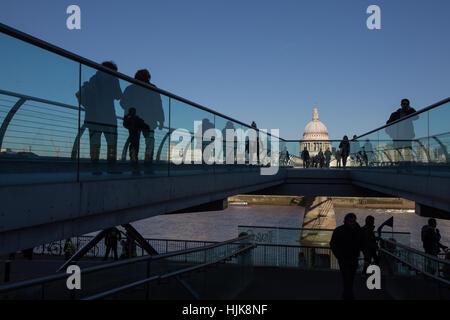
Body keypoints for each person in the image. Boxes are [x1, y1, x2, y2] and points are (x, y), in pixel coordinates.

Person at [77, 61, 123, 175]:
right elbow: (118, 96)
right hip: (109, 117)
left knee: (94, 144)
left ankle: (95, 168)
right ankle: (111, 167)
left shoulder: (93, 79)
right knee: (112, 144)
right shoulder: (113, 80)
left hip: (93, 116)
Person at [120, 69, 165, 171]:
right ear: (148, 77)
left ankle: (134, 163)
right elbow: (158, 105)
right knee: (149, 142)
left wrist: (130, 110)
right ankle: (148, 163)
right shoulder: (152, 89)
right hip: (149, 120)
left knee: (134, 141)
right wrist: (161, 120)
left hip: (134, 120)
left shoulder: (130, 88)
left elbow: (122, 103)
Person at [330, 213, 363, 300]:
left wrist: (338, 256)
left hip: (347, 259)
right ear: (346, 221)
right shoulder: (357, 230)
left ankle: (347, 295)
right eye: (351, 221)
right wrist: (339, 256)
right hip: (346, 259)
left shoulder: (338, 230)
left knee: (349, 279)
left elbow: (333, 244)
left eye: (353, 221)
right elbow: (362, 243)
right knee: (348, 278)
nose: (352, 223)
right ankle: (348, 296)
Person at [123, 107, 150, 175]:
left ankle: (134, 161)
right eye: (131, 111)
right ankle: (134, 161)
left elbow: (144, 125)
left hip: (135, 135)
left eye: (133, 111)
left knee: (134, 148)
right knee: (133, 148)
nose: (132, 113)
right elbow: (125, 124)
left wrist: (147, 128)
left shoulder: (136, 119)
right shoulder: (132, 119)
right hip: (134, 135)